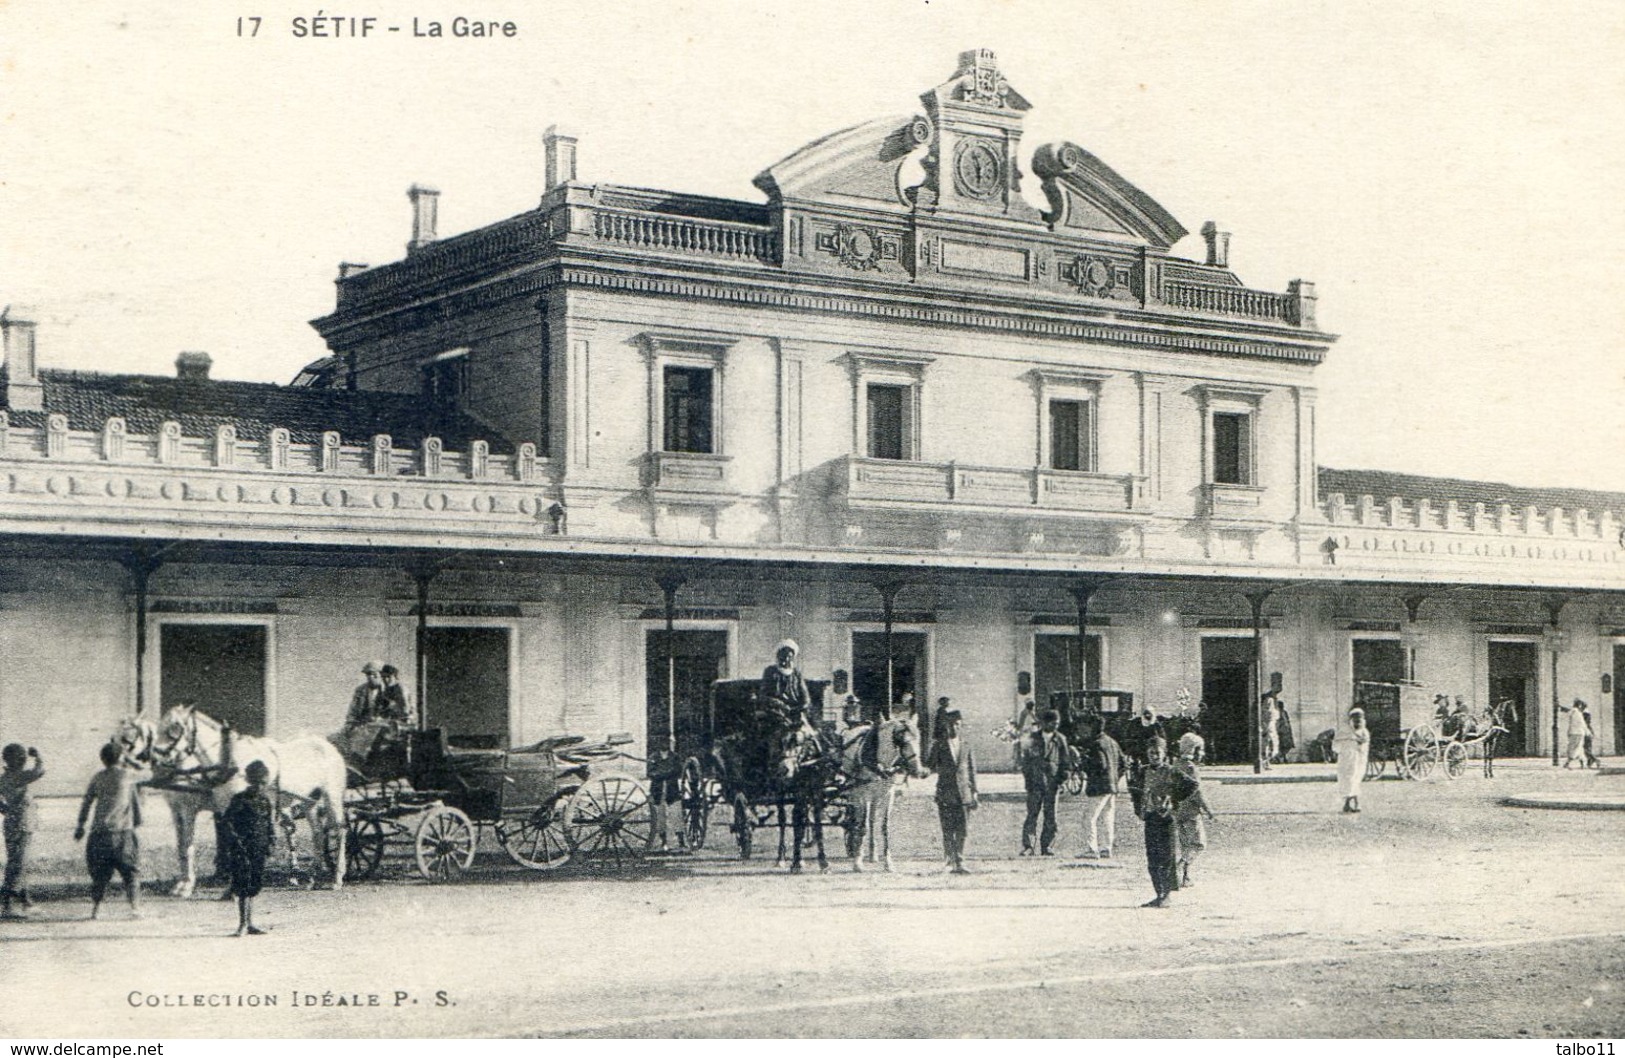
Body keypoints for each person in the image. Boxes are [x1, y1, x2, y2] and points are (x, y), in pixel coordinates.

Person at [75, 742, 145, 920]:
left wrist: (80, 825)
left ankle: (96, 910)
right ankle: (135, 908)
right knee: (131, 872)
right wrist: (131, 759)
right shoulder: (127, 775)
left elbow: (87, 802)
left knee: (99, 874)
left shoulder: (97, 778)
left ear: (103, 760)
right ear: (121, 758)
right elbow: (149, 772)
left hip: (98, 833)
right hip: (123, 833)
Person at [222, 759, 276, 936]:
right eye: (257, 783)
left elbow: (269, 824)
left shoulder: (265, 801)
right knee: (242, 884)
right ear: (249, 781)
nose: (260, 787)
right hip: (242, 849)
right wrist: (236, 842)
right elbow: (227, 823)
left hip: (259, 848)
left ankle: (250, 923)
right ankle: (242, 924)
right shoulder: (240, 800)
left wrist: (271, 842)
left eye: (263, 783)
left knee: (254, 884)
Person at [1136, 738, 1189, 907]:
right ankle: (1158, 893)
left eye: (1158, 753)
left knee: (1166, 857)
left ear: (1164, 754)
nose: (1154, 756)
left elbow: (1192, 785)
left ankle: (1166, 894)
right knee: (1153, 858)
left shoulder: (1171, 771)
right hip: (1151, 817)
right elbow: (1136, 791)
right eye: (1151, 753)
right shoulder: (1143, 771)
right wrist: (1139, 808)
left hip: (1166, 818)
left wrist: (1174, 800)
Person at [925, 704, 976, 874]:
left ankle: (960, 861)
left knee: (963, 829)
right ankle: (948, 861)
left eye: (957, 724)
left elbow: (971, 771)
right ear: (946, 725)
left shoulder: (967, 745)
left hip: (964, 794)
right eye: (951, 724)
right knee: (947, 829)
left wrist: (975, 793)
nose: (954, 727)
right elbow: (929, 766)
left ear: (961, 726)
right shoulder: (939, 746)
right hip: (946, 794)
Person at [0, 744, 45, 919]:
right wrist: (38, 755)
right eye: (22, 757)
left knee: (17, 862)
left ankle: (27, 902)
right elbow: (39, 771)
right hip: (23, 826)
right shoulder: (19, 776)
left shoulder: (4, 778)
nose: (24, 760)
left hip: (12, 824)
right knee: (18, 864)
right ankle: (7, 905)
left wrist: (7, 810)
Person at [1019, 710, 1069, 856]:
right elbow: (1026, 762)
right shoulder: (1032, 738)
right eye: (1053, 723)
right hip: (1035, 783)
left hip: (1053, 784)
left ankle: (1047, 846)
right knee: (1032, 815)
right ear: (1044, 723)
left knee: (1051, 816)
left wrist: (1062, 780)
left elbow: (1065, 762)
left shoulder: (1060, 739)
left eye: (1057, 724)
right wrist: (1028, 780)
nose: (1055, 726)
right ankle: (1029, 846)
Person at [1172, 732, 1216, 888]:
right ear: (1194, 749)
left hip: (1177, 811)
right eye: (1200, 749)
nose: (1202, 753)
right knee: (1198, 844)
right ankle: (1180, 866)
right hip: (1191, 812)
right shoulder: (1192, 769)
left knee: (1185, 844)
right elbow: (1197, 792)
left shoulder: (1176, 764)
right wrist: (1209, 810)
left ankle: (1185, 877)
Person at [1077, 716, 1123, 859]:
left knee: (1089, 817)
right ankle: (1106, 848)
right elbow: (1123, 763)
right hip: (1112, 787)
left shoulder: (1095, 744)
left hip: (1100, 786)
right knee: (1107, 817)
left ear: (1093, 727)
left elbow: (1100, 764)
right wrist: (1115, 778)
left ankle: (1091, 849)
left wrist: (1083, 763)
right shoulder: (1112, 742)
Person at [759, 640, 810, 727]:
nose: (786, 659)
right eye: (783, 656)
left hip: (795, 710)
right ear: (778, 656)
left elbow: (804, 694)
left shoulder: (796, 673)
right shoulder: (770, 671)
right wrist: (779, 704)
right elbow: (764, 694)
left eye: (789, 657)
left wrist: (802, 706)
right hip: (776, 710)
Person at [646, 745, 684, 853]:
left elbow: (677, 770)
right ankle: (664, 842)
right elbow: (650, 773)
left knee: (677, 815)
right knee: (659, 816)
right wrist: (666, 773)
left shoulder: (674, 756)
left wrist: (661, 774)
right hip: (657, 790)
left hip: (672, 789)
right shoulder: (653, 757)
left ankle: (681, 842)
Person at [1334, 707, 1371, 813]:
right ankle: (1349, 804)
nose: (1358, 721)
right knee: (1348, 781)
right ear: (1351, 719)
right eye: (1355, 719)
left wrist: (1360, 744)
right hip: (1346, 761)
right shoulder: (1343, 731)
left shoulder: (1364, 732)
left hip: (1359, 760)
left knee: (1356, 780)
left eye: (1360, 719)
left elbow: (1365, 746)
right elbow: (1336, 746)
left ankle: (1353, 803)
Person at [1561, 699, 1590, 769]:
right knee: (1578, 748)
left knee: (1573, 748)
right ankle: (1583, 762)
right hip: (1578, 732)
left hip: (1575, 732)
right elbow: (1582, 723)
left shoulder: (1574, 712)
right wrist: (1587, 732)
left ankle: (1568, 762)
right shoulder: (1577, 712)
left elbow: (1581, 723)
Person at [1275, 699, 1296, 764]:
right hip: (1280, 731)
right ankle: (1280, 758)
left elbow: (1287, 720)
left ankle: (1283, 756)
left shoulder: (1284, 712)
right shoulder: (1277, 712)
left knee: (1287, 745)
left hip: (1286, 731)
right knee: (1280, 745)